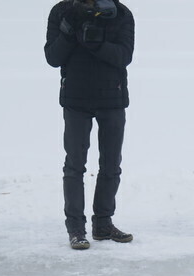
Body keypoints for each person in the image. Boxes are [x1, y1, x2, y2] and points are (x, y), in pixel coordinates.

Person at [44, 0, 135, 250]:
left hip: (112, 100)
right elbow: (52, 57)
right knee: (74, 166)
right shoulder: (62, 12)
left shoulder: (120, 13)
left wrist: (97, 44)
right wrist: (69, 34)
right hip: (75, 100)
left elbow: (124, 56)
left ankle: (103, 224)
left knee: (111, 165)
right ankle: (75, 229)